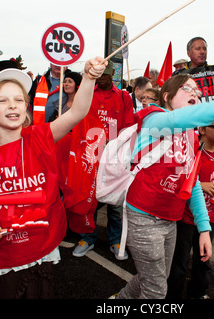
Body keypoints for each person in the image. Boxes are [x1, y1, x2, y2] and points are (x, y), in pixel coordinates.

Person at [0, 57, 106, 299]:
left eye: (18, 100)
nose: (12, 105)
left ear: (26, 107)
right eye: (2, 100)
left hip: (40, 249)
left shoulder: (40, 138)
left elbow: (77, 112)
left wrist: (88, 78)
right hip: (2, 256)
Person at [114, 74, 214, 299]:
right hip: (143, 218)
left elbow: (193, 184)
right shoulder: (155, 119)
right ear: (167, 96)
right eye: (187, 88)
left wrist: (204, 229)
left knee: (149, 277)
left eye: (197, 91)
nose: (194, 92)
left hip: (170, 221)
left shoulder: (191, 136)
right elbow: (187, 117)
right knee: (156, 291)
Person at [73, 60, 134, 260]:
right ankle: (86, 238)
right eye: (101, 75)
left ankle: (115, 240)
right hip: (90, 152)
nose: (104, 78)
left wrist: (119, 149)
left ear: (113, 74)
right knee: (88, 196)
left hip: (115, 154)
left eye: (107, 74)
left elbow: (128, 127)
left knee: (116, 200)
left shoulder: (124, 97)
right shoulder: (88, 92)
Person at [167, 119, 214, 299]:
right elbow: (181, 179)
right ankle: (172, 296)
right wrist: (201, 185)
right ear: (202, 130)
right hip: (187, 218)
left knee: (203, 258)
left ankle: (198, 292)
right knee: (179, 260)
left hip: (210, 217)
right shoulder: (193, 153)